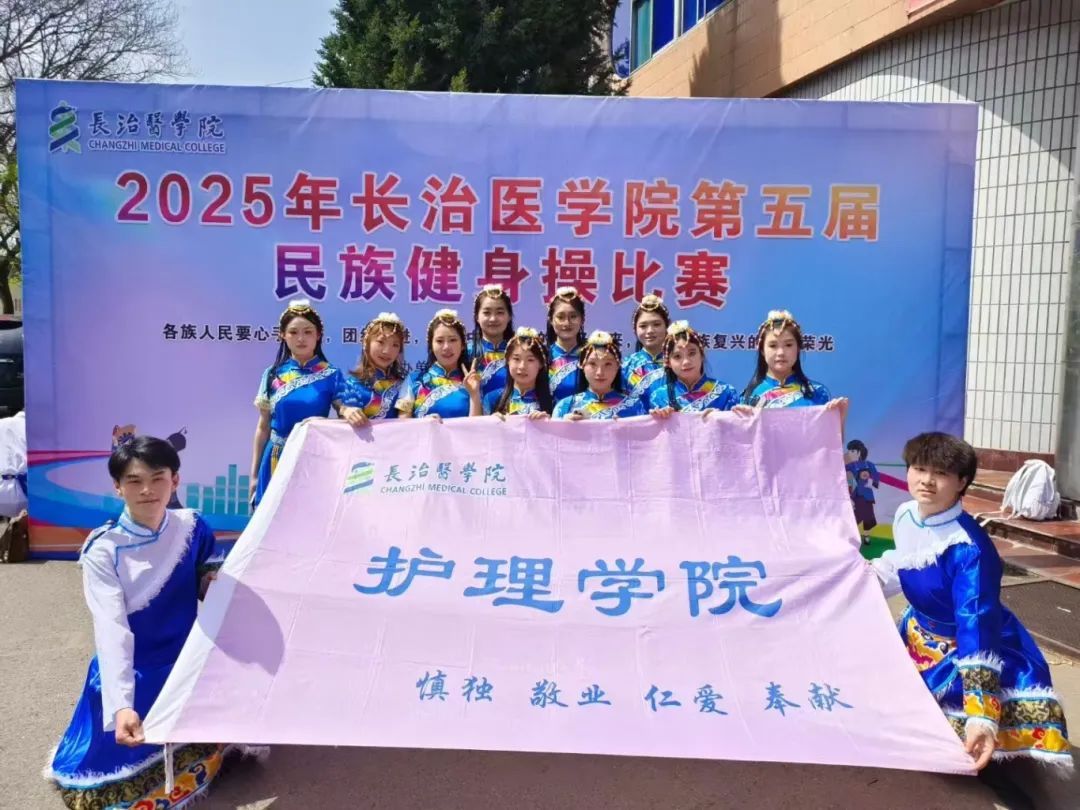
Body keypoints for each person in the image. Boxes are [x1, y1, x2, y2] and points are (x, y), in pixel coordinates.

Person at [47, 437, 234, 809]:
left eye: (157, 478)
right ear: (117, 487)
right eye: (134, 481)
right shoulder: (104, 550)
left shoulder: (192, 525)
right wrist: (121, 705)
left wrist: (211, 584)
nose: (147, 490)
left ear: (175, 480)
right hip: (136, 669)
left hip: (186, 659)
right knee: (111, 772)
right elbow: (111, 628)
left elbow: (205, 573)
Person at [872, 432, 1072, 771]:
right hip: (917, 630)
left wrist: (981, 715)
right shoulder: (907, 513)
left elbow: (974, 623)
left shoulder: (969, 549)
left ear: (962, 482)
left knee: (959, 740)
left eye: (941, 473)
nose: (927, 481)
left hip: (964, 643)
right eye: (919, 469)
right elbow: (901, 560)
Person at [250, 299, 348, 507]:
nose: (301, 338)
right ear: (283, 335)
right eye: (293, 332)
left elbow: (344, 415)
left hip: (315, 458)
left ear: (318, 335)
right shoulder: (273, 375)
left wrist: (348, 412)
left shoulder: (332, 375)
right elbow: (263, 427)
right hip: (276, 458)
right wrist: (254, 475)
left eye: (308, 332)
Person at [736, 310, 847, 418]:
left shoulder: (817, 393)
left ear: (798, 348)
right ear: (762, 350)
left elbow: (827, 431)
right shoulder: (749, 396)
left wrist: (839, 418)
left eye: (788, 345)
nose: (781, 353)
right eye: (773, 346)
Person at [398, 309, 481, 420]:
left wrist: (474, 395)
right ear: (431, 345)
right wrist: (422, 424)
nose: (446, 347)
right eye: (440, 341)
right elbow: (403, 424)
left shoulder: (473, 381)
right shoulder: (414, 380)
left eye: (453, 340)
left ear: (462, 345)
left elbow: (478, 426)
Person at [650, 321, 739, 415]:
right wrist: (660, 418)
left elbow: (737, 423)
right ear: (668, 362)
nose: (686, 362)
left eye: (692, 353)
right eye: (677, 356)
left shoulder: (725, 392)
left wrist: (718, 419)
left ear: (702, 354)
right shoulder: (659, 397)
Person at [553, 331, 646, 420]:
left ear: (618, 366)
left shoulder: (635, 406)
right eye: (592, 364)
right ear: (582, 365)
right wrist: (565, 426)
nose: (600, 372)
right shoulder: (565, 406)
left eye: (608, 364)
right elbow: (553, 432)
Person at [339, 312, 409, 422]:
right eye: (381, 342)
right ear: (366, 343)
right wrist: (347, 412)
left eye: (395, 345)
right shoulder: (353, 384)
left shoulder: (405, 385)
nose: (387, 351)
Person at [483, 326, 553, 419]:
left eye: (530, 360)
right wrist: (491, 423)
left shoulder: (553, 401)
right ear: (507, 361)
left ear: (540, 364)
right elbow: (477, 427)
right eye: (516, 359)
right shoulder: (492, 399)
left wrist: (548, 423)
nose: (522, 366)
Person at [622, 294, 670, 410]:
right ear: (635, 329)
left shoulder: (678, 362)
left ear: (667, 326)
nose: (650, 331)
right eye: (643, 326)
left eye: (656, 324)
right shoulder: (625, 366)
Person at [471, 284, 515, 399]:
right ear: (477, 317)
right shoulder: (466, 351)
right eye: (487, 313)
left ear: (509, 316)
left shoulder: (519, 350)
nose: (493, 319)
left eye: (500, 312)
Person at [545, 287, 587, 403]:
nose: (567, 323)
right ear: (551, 320)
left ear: (582, 319)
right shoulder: (541, 357)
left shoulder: (590, 357)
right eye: (560, 317)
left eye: (573, 316)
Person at [845, 439, 880, 545]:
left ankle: (866, 536)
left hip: (867, 497)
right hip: (857, 496)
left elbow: (876, 478)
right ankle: (852, 537)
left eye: (852, 451)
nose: (849, 454)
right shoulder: (852, 465)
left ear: (859, 452)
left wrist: (871, 482)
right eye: (849, 451)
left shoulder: (870, 465)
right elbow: (841, 469)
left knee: (868, 518)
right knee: (855, 517)